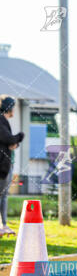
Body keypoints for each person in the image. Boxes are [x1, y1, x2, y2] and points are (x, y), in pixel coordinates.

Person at [0, 96, 24, 237]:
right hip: (2, 166)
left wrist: (14, 141)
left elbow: (9, 142)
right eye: (12, 107)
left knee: (3, 196)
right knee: (2, 196)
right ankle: (3, 226)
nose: (14, 110)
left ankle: (3, 225)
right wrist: (20, 136)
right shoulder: (1, 120)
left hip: (6, 164)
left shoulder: (4, 122)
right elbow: (8, 139)